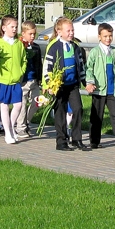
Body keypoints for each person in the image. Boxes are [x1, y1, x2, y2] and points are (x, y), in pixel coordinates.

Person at [43, 17, 89, 152]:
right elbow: (47, 67)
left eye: (72, 30)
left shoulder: (75, 47)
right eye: (68, 31)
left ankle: (76, 139)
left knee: (78, 109)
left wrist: (85, 82)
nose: (71, 33)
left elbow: (80, 66)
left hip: (72, 85)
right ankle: (61, 141)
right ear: (59, 32)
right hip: (59, 86)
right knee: (60, 113)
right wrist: (49, 84)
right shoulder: (53, 47)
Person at [85, 22, 115, 150]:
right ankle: (94, 141)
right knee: (97, 116)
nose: (108, 39)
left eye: (110, 36)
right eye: (105, 36)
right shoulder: (95, 52)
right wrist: (90, 82)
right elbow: (89, 68)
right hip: (99, 90)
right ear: (99, 37)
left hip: (111, 90)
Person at [0, 15, 27, 144]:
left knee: (18, 105)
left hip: (15, 80)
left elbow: (23, 59)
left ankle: (10, 127)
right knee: (4, 106)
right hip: (3, 80)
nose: (14, 29)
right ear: (4, 28)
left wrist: (21, 71)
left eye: (16, 27)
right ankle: (7, 132)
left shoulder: (18, 43)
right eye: (12, 27)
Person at [15, 21, 42, 139]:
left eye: (34, 34)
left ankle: (26, 122)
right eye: (30, 34)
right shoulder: (19, 46)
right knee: (23, 104)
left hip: (34, 80)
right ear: (23, 33)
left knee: (37, 102)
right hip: (23, 80)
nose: (32, 36)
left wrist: (40, 78)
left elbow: (39, 64)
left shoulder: (36, 47)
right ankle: (20, 127)